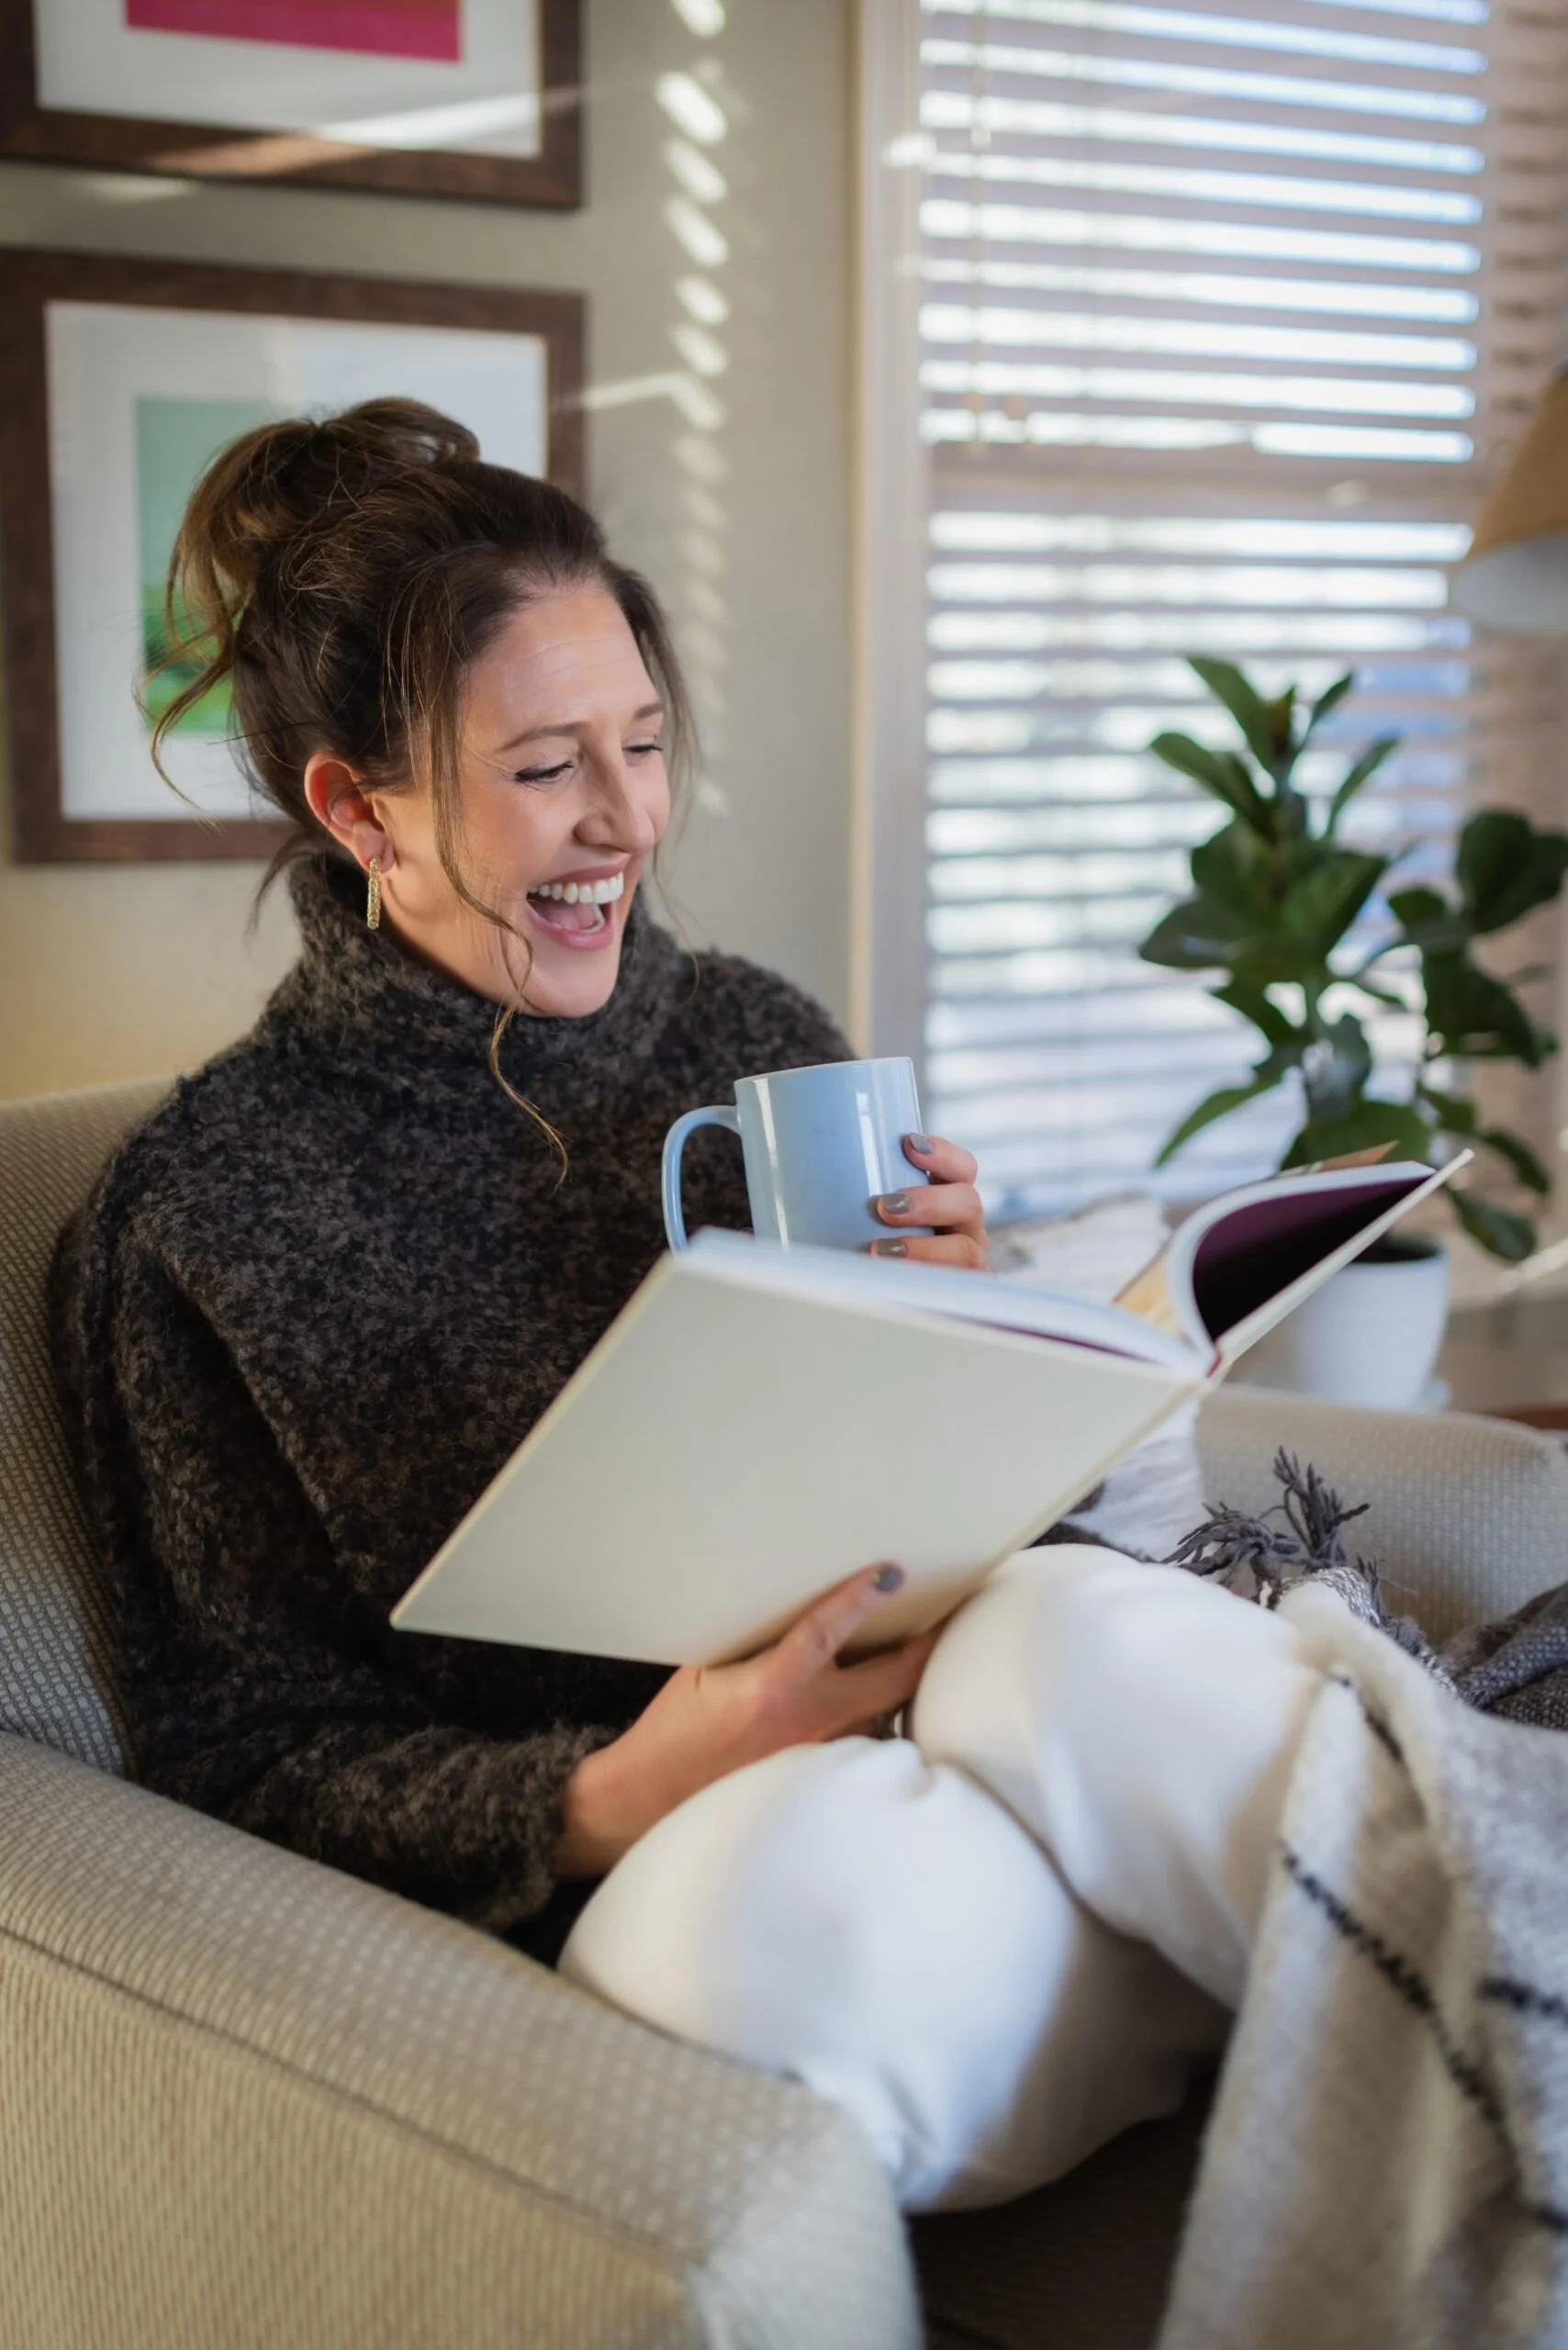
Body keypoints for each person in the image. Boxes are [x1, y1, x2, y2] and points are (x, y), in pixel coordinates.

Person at [51, 400, 1330, 2214]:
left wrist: (970, 1339)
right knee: (791, 1929)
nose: (626, 816)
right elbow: (241, 1755)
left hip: (970, 1710)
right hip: (690, 1848)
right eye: (545, 762)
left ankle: (1349, 1991)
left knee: (1081, 1643)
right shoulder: (193, 1223)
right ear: (358, 807)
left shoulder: (754, 1041)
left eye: (642, 741)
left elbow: (966, 1522)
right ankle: (1288, 1992)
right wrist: (621, 1786)